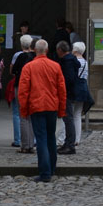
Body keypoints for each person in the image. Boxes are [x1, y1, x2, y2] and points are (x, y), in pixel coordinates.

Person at [18, 37, 66, 183]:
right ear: (47, 50)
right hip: (51, 106)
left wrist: (24, 110)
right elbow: (62, 90)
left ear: (35, 50)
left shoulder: (29, 67)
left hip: (37, 106)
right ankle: (51, 168)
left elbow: (23, 91)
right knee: (51, 137)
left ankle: (45, 173)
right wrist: (61, 109)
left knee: (41, 139)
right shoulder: (55, 66)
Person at [8, 34, 36, 152]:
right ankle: (32, 143)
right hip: (33, 87)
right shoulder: (34, 56)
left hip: (21, 85)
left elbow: (13, 71)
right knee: (31, 116)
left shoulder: (20, 56)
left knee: (22, 116)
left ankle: (24, 145)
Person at [70, 39, 93, 147]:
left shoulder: (74, 62)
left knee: (70, 114)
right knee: (78, 115)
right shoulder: (85, 62)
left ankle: (69, 137)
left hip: (75, 89)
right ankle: (77, 138)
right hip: (83, 89)